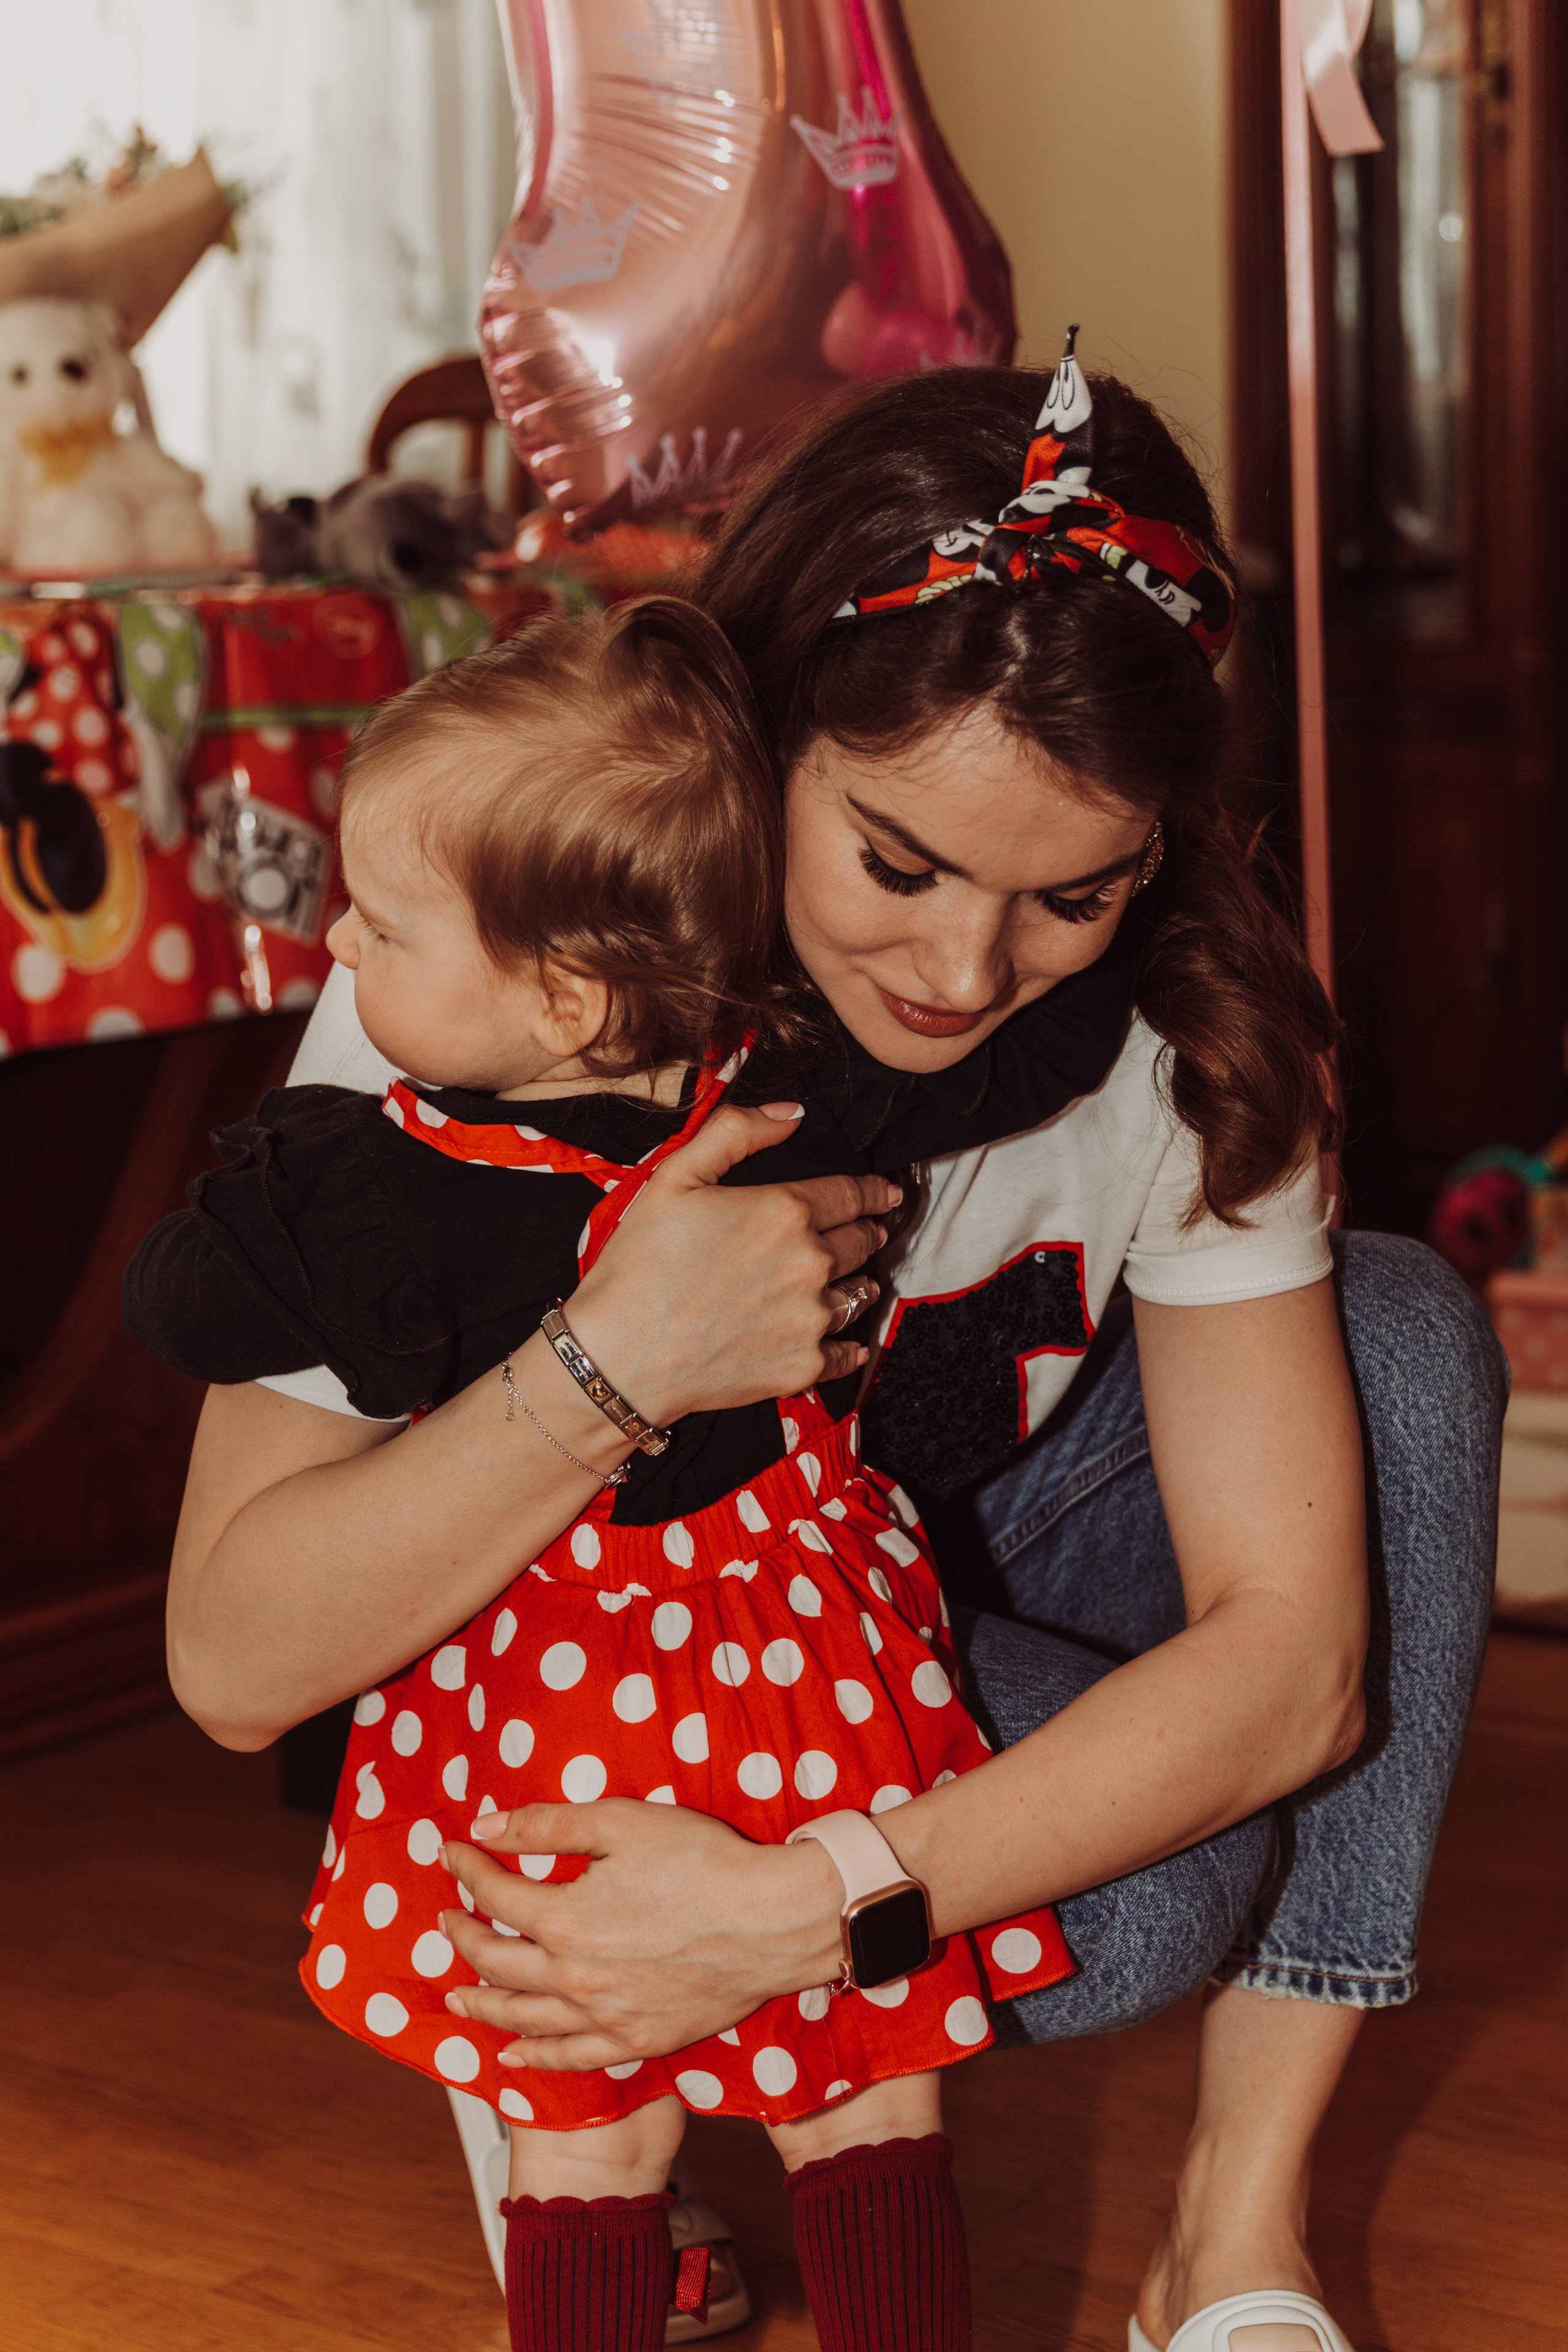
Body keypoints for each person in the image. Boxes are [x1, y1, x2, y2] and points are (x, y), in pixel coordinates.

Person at [159, 342, 1504, 2352]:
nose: (966, 970)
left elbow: (1297, 1670)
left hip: (923, 1619)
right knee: (1105, 1881)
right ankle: (578, 2076)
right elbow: (237, 1665)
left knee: (1401, 1333)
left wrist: (808, 1905)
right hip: (593, 1676)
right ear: (761, 738)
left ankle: (1231, 2239)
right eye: (899, 861)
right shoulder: (503, 983)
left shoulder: (1196, 1034)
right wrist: (610, 1361)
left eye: (1075, 894)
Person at [129, 590, 1103, 2351]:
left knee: (583, 2122)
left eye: (386, 921)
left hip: (550, 1693)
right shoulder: (801, 1088)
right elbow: (1047, 1044)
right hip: (808, 1671)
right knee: (873, 2096)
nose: (339, 946)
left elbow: (176, 1299)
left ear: (569, 987)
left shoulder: (384, 1184)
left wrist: (279, 1176)